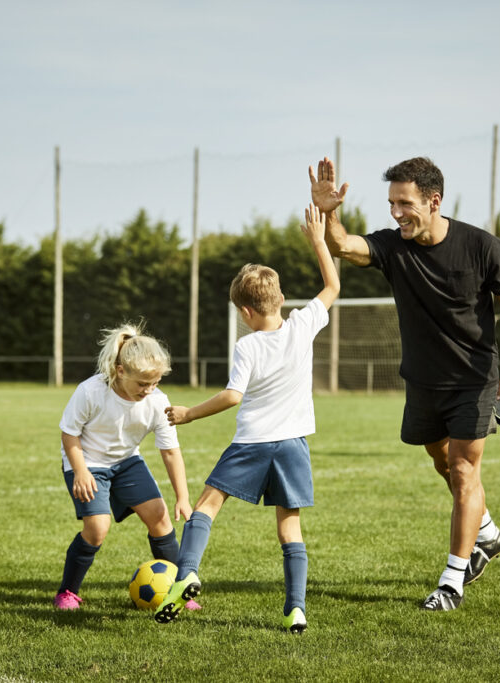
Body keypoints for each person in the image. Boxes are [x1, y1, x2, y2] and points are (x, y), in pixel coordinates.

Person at [308, 156, 500, 611]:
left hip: (474, 378)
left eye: (404, 203)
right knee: (441, 459)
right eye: (391, 203)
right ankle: (485, 532)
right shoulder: (394, 247)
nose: (395, 213)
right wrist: (329, 210)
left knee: (466, 471)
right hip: (423, 382)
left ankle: (452, 582)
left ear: (433, 200)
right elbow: (343, 245)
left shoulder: (482, 247)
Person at [154, 203, 340, 633]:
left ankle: (187, 575)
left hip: (253, 441)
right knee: (289, 527)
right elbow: (332, 284)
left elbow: (233, 396)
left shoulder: (247, 346)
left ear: (245, 312)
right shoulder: (302, 325)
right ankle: (296, 609)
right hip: (293, 444)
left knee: (206, 505)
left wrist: (189, 414)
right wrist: (317, 239)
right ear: (280, 299)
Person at [54, 322, 198, 611]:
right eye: (142, 384)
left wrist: (182, 496)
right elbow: (69, 433)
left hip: (126, 462)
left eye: (155, 383)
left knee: (159, 518)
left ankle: (177, 590)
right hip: (87, 461)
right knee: (97, 528)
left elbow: (170, 452)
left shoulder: (158, 402)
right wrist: (80, 472)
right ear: (120, 371)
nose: (149, 390)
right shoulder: (92, 391)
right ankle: (67, 593)